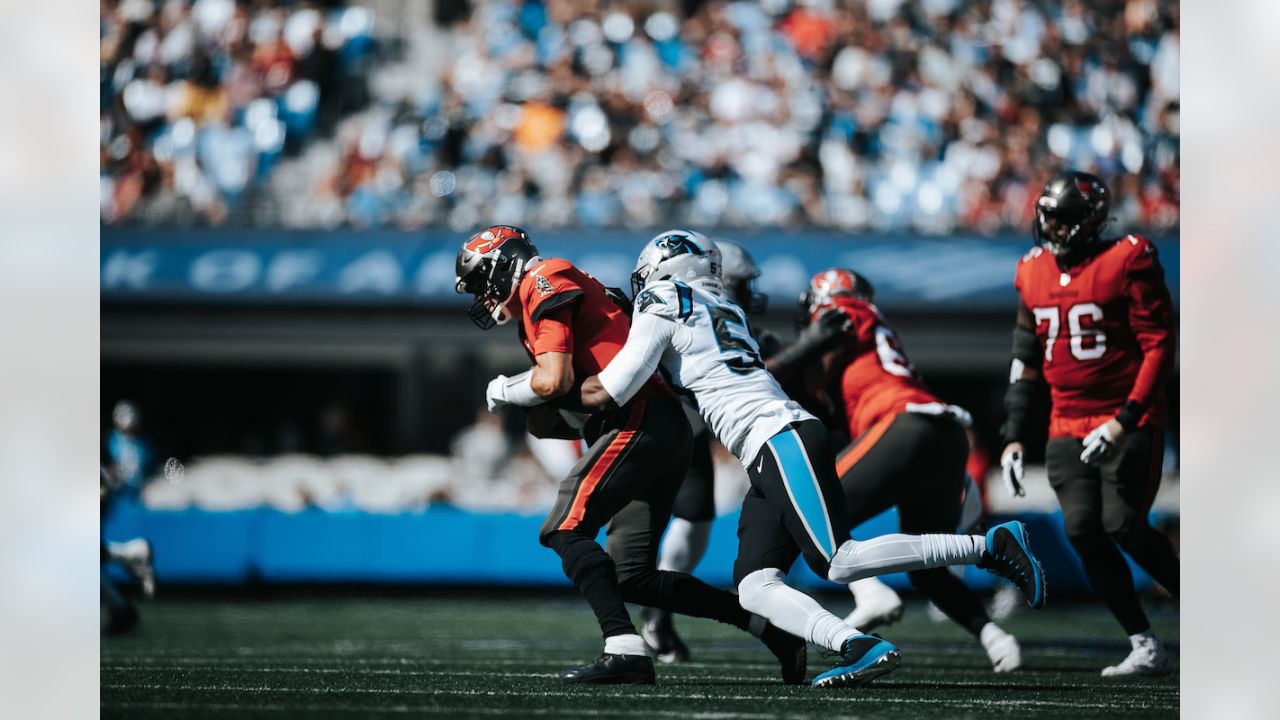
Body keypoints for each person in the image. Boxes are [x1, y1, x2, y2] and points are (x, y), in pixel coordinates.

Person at [580, 229, 1046, 688]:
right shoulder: (721, 309)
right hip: (765, 446)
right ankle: (856, 645)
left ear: (667, 268)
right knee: (755, 586)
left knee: (837, 560)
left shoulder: (665, 299)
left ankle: (989, 546)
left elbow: (615, 387)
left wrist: (514, 389)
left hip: (778, 435)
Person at [454, 225, 805, 685]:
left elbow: (553, 380)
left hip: (639, 418)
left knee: (563, 525)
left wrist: (507, 389)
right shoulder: (548, 295)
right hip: (656, 426)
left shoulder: (544, 278)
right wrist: (542, 406)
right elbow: (564, 403)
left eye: (482, 281)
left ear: (505, 265)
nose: (481, 295)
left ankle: (623, 647)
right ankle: (773, 631)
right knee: (631, 575)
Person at [795, 267, 1023, 672]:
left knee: (810, 512)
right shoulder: (874, 331)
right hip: (944, 434)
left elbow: (815, 370)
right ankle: (994, 635)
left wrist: (786, 364)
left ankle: (870, 595)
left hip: (903, 426)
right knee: (928, 569)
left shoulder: (841, 309)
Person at [998, 170, 1179, 676]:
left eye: (1064, 218)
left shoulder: (1127, 259)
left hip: (1127, 414)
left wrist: (1123, 422)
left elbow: (1160, 346)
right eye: (1048, 216)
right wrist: (1013, 436)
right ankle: (1143, 642)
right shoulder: (1032, 271)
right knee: (1082, 530)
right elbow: (1025, 357)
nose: (1053, 227)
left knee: (1123, 524)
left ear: (1090, 220)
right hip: (1065, 422)